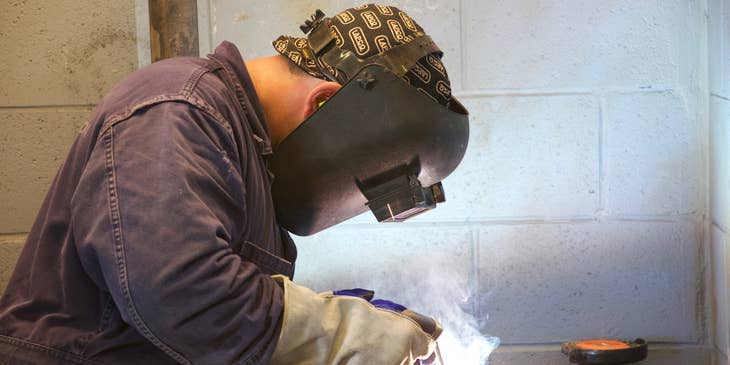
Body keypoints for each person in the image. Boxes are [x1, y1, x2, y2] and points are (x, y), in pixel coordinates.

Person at [0, 3, 468, 364]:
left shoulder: (246, 151)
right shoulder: (179, 110)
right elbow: (182, 294)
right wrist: (344, 333)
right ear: (323, 103)